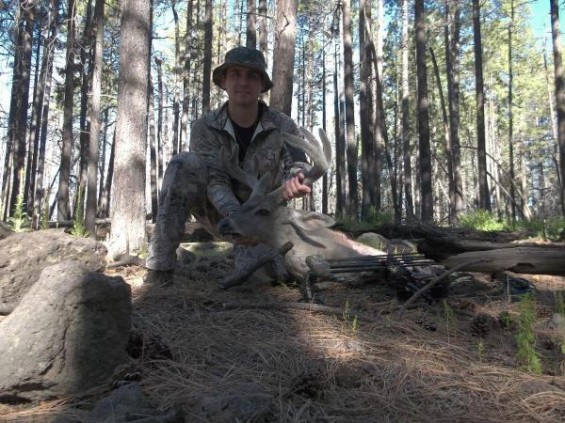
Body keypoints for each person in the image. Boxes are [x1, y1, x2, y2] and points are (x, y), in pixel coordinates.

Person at [145, 46, 311, 286]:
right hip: (221, 215)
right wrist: (237, 218)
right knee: (183, 163)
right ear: (223, 81)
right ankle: (159, 271)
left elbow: (299, 164)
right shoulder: (205, 127)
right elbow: (215, 180)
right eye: (236, 73)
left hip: (263, 220)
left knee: (262, 278)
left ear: (262, 85)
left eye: (252, 75)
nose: (243, 82)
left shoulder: (283, 126)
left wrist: (295, 179)